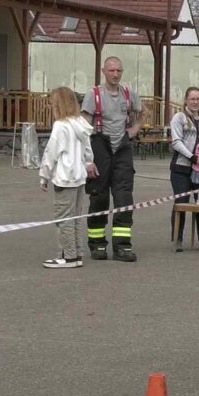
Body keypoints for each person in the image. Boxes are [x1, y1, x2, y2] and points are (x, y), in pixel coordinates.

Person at [81, 56, 144, 262]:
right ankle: (97, 244)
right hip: (99, 144)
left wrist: (134, 130)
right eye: (111, 70)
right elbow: (83, 129)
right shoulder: (93, 95)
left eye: (118, 70)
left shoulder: (129, 94)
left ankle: (122, 246)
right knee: (99, 196)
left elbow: (142, 113)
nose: (115, 74)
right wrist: (88, 160)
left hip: (122, 147)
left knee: (124, 197)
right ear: (104, 71)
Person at [38, 87, 98, 269]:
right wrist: (88, 163)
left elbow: (51, 153)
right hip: (79, 178)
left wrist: (44, 175)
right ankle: (77, 254)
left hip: (64, 178)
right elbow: (88, 150)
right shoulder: (81, 124)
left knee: (63, 218)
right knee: (76, 217)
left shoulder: (60, 125)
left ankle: (67, 256)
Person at [169, 87, 199, 252]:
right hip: (181, 168)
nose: (195, 102)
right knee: (181, 203)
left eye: (198, 99)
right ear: (186, 100)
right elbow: (176, 142)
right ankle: (177, 240)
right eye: (192, 99)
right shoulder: (179, 118)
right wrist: (191, 157)